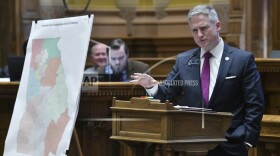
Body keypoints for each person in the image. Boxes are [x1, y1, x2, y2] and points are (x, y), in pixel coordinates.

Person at [130, 5, 265, 156]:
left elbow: (255, 104)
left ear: (218, 26)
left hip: (230, 144)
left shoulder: (242, 60)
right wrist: (151, 86)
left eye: (204, 28)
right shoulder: (184, 60)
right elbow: (167, 93)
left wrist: (247, 140)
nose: (200, 34)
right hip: (191, 144)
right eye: (195, 30)